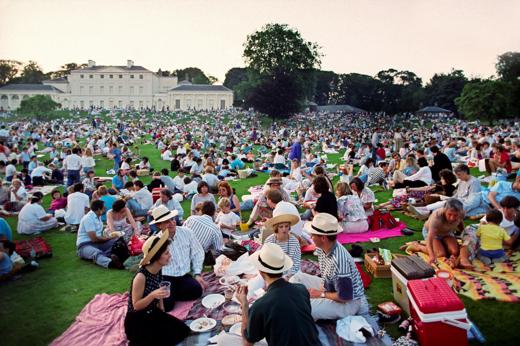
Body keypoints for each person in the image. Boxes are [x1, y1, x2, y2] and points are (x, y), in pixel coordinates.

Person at [220, 243, 320, 346]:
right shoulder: (301, 289)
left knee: (223, 339)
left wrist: (245, 305)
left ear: (261, 272)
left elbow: (247, 343)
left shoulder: (260, 306)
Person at [291, 213, 368, 320]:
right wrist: (323, 289)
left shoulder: (340, 261)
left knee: (303, 307)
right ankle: (294, 300)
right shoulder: (322, 247)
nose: (311, 237)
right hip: (331, 288)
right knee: (296, 277)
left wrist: (321, 294)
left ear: (323, 238)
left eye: (313, 235)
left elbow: (344, 297)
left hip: (348, 303)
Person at [124, 230, 190, 345]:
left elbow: (159, 292)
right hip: (137, 320)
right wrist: (152, 295)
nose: (170, 255)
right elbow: (136, 306)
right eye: (166, 253)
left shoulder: (158, 270)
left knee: (183, 331)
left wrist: (162, 311)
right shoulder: (141, 277)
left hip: (152, 312)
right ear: (155, 257)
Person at [149, 205, 206, 312]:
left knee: (197, 291)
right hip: (166, 277)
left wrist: (197, 273)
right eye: (166, 221)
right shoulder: (156, 242)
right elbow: (151, 267)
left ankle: (173, 294)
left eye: (172, 219)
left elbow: (197, 252)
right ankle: (170, 296)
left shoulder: (186, 232)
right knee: (167, 306)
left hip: (184, 275)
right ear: (159, 225)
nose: (171, 223)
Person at [76, 200, 123, 269]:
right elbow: (94, 239)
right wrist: (109, 238)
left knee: (118, 241)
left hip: (98, 243)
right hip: (85, 245)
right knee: (96, 253)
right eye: (104, 208)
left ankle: (109, 255)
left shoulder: (98, 216)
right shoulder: (88, 218)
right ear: (98, 209)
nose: (105, 208)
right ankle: (111, 263)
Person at [422, 198, 465, 265]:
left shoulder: (462, 213)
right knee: (440, 254)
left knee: (455, 252)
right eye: (449, 214)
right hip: (433, 234)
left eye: (455, 215)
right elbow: (429, 238)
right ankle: (418, 247)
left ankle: (442, 245)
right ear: (445, 210)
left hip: (448, 232)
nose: (452, 218)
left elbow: (460, 222)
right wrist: (431, 255)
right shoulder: (436, 217)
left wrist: (463, 233)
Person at [263, 202, 302, 275]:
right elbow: (265, 260)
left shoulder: (294, 241)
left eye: (286, 226)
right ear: (276, 228)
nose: (284, 229)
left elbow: (296, 264)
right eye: (281, 227)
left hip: (291, 273)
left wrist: (286, 277)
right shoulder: (269, 241)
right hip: (273, 273)